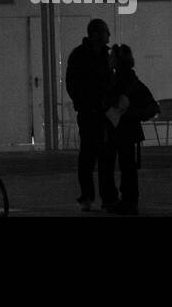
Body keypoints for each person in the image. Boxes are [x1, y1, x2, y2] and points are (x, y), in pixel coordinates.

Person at [65, 18, 116, 211]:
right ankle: (104, 196)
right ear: (96, 34)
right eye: (105, 32)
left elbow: (72, 84)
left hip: (96, 112)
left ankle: (93, 196)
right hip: (91, 112)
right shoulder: (88, 56)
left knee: (96, 156)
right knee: (94, 156)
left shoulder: (83, 55)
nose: (108, 36)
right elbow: (73, 85)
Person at [107, 44, 157, 215]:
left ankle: (129, 200)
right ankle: (129, 199)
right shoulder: (129, 78)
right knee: (127, 165)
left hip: (124, 129)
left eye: (112, 57)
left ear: (118, 61)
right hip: (128, 129)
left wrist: (127, 114)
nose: (109, 59)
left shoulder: (123, 79)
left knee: (127, 165)